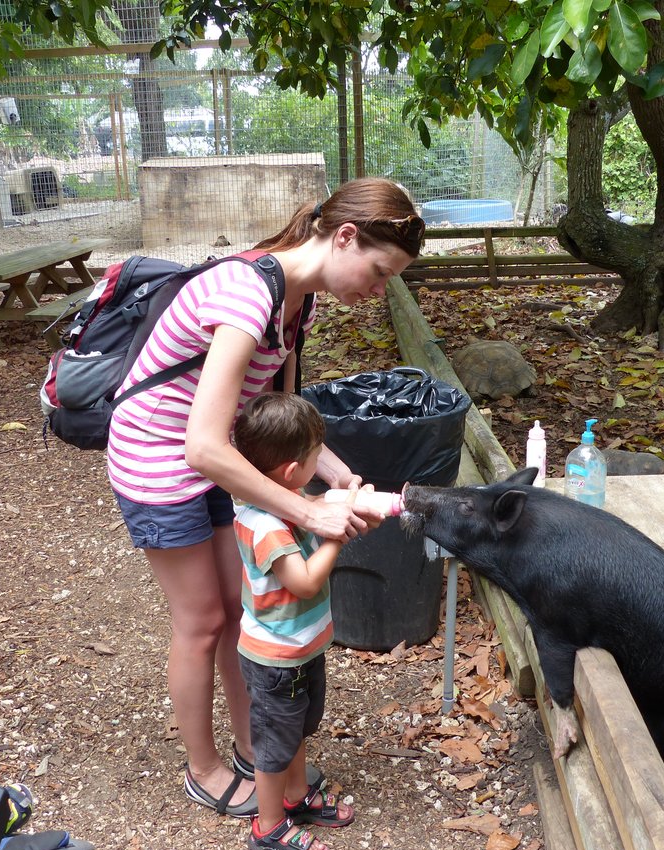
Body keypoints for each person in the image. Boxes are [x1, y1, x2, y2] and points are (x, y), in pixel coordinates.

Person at [106, 177, 425, 817]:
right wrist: (307, 511)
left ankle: (259, 750)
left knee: (242, 609)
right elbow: (202, 447)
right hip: (159, 458)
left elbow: (271, 416)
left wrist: (338, 478)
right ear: (344, 237)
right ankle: (203, 767)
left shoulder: (296, 302)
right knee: (204, 620)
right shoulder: (248, 295)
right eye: (380, 269)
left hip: (224, 453)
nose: (378, 289)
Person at [231, 392, 357, 850]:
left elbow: (314, 505)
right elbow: (302, 582)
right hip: (275, 660)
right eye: (313, 460)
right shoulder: (264, 524)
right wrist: (334, 538)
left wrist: (341, 503)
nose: (316, 470)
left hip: (301, 650)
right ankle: (268, 826)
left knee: (298, 727)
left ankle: (296, 795)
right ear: (289, 471)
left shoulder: (287, 498)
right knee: (274, 744)